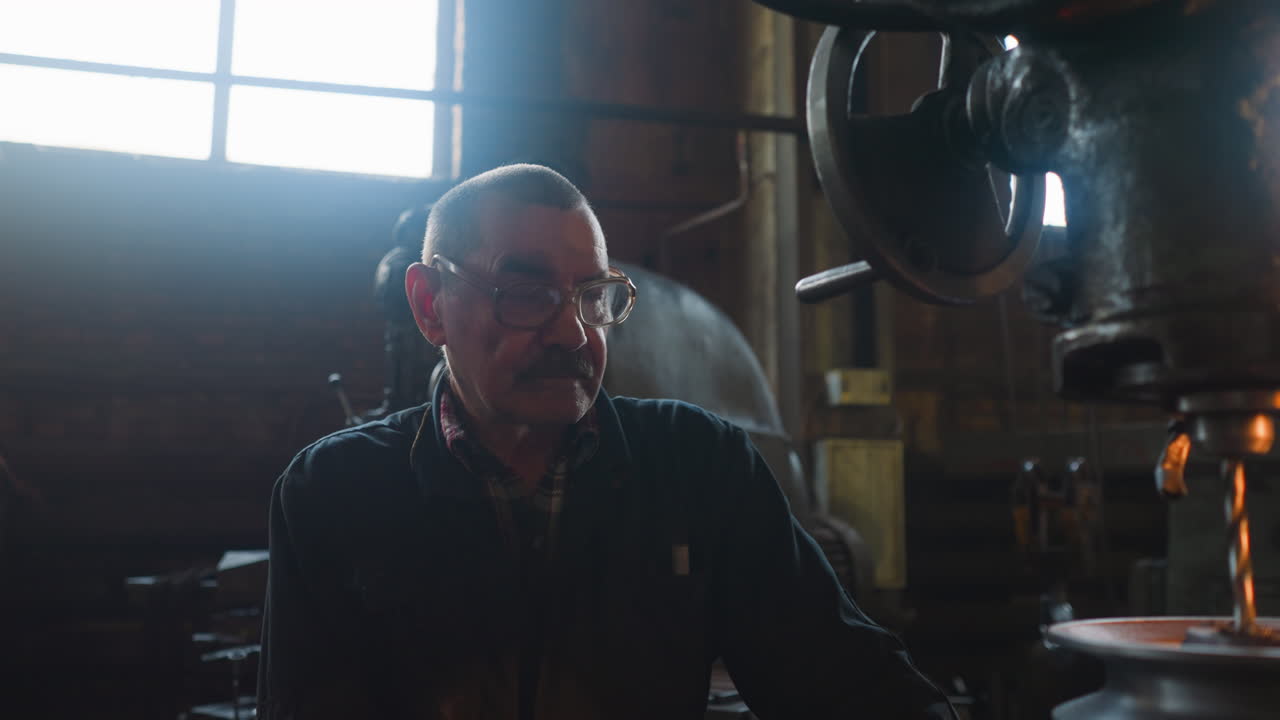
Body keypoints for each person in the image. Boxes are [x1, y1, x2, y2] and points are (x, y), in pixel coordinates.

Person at [257, 164, 956, 720]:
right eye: (525, 293)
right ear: (429, 305)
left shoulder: (697, 465)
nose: (574, 333)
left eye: (593, 296)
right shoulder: (334, 494)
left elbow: (850, 684)